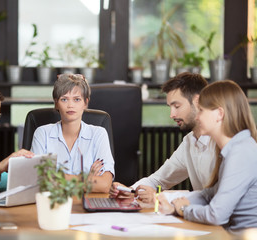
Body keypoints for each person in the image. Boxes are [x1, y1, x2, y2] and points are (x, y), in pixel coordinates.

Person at [158, 80, 257, 233]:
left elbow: (216, 215)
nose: (197, 118)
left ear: (219, 114)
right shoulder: (232, 149)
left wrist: (184, 209)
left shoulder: (241, 152)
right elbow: (210, 194)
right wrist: (173, 204)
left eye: (202, 111)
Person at [110, 72, 216, 202]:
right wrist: (129, 190)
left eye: (177, 106)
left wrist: (160, 197)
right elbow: (158, 180)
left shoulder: (221, 142)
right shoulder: (189, 141)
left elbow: (213, 196)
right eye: (170, 107)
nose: (172, 114)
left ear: (197, 101)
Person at [31, 74, 114, 193]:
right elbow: (37, 181)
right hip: (53, 204)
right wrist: (89, 180)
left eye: (77, 99)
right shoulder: (42, 133)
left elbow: (105, 185)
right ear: (56, 103)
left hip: (87, 205)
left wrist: (56, 177)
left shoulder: (98, 134)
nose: (70, 105)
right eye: (64, 99)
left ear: (85, 103)